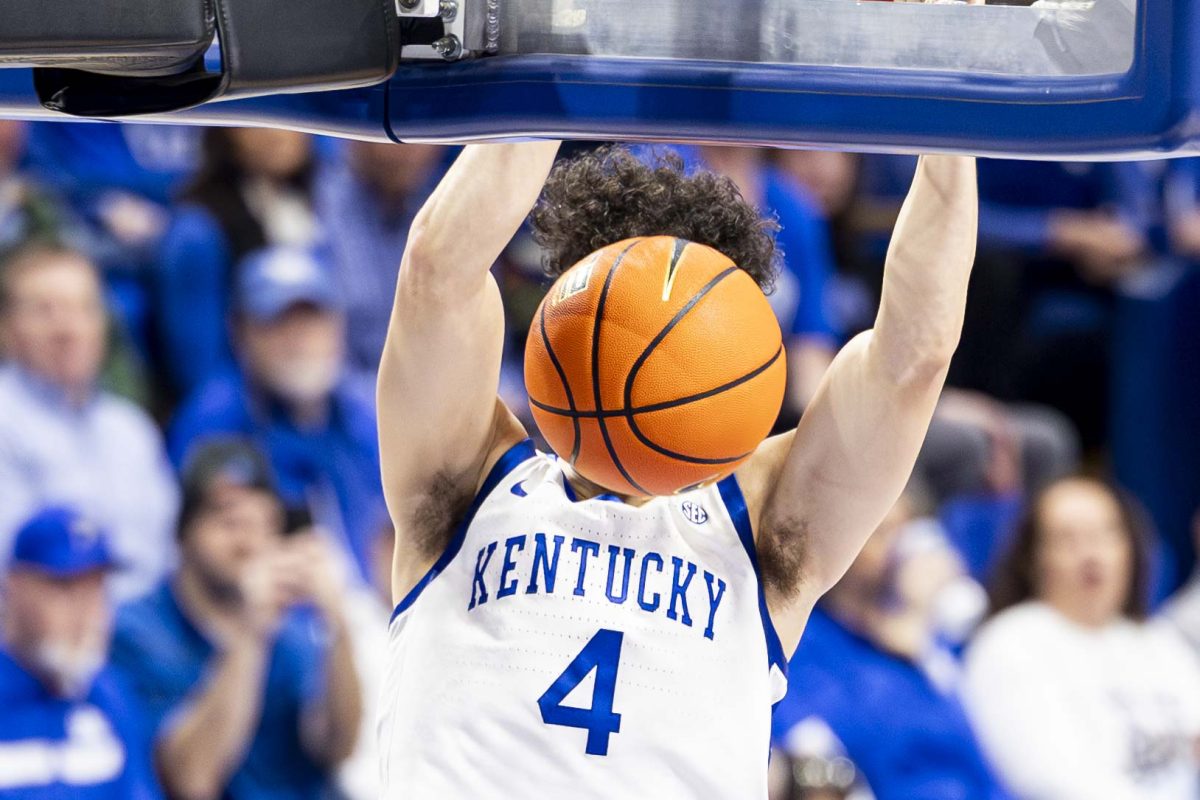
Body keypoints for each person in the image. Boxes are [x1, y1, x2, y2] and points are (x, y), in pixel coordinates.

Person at [376, 140, 978, 798]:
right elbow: (438, 268)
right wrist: (541, 82)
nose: (659, 341)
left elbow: (912, 361)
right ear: (567, 314)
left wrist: (951, 136)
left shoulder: (764, 523)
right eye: (629, 313)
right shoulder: (469, 479)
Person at [109, 438, 362, 800]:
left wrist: (339, 622)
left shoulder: (293, 630)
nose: (250, 543)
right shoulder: (135, 630)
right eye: (230, 522)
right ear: (184, 532)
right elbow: (191, 779)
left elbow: (336, 747)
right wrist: (249, 633)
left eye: (265, 524)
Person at [962, 476, 1200, 800]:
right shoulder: (1010, 644)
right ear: (1033, 559)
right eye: (1067, 539)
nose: (1091, 554)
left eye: (1105, 534)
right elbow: (1049, 781)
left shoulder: (1158, 641)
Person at [168, 244, 386, 581]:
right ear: (241, 331)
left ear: (337, 326)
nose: (299, 340)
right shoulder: (213, 424)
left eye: (311, 320)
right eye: (279, 322)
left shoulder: (364, 411)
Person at [772, 488, 1007, 800]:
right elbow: (843, 751)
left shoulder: (930, 646)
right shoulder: (808, 640)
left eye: (905, 530)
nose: (901, 549)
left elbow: (978, 764)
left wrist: (920, 648)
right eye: (881, 532)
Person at [0, 243, 179, 602]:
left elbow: (166, 556)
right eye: (44, 311)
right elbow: (14, 574)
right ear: (6, 329)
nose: (67, 328)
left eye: (83, 308)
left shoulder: (130, 429)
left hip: (146, 634)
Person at [0, 507, 161, 799]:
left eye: (96, 588)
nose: (85, 612)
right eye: (65, 588)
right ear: (13, 586)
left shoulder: (111, 695)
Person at [155, 128, 322, 397]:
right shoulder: (197, 233)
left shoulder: (324, 206)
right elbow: (199, 372)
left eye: (291, 113)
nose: (278, 132)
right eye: (266, 116)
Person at [315, 142, 446, 381]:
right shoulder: (317, 206)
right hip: (351, 401)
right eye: (395, 135)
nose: (408, 148)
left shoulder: (446, 210)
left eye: (420, 130)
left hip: (441, 391)